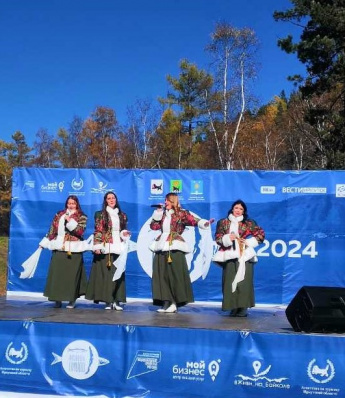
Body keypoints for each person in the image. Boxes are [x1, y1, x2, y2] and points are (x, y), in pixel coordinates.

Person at [149, 192, 214, 313]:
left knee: (174, 275)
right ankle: (165, 301)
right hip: (161, 245)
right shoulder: (162, 214)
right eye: (165, 200)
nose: (165, 203)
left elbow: (194, 221)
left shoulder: (182, 213)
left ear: (173, 201)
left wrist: (205, 223)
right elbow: (153, 226)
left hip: (174, 246)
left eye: (167, 200)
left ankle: (174, 302)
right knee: (161, 275)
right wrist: (157, 213)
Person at [213, 199, 265, 317]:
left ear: (244, 211)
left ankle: (243, 307)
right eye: (236, 208)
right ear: (232, 209)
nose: (238, 210)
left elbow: (261, 235)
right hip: (229, 255)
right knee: (229, 281)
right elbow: (218, 237)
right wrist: (227, 238)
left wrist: (248, 242)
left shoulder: (249, 223)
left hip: (245, 255)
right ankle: (233, 306)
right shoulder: (223, 222)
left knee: (244, 282)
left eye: (241, 209)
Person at [40, 195, 89, 309]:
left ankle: (72, 299)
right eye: (69, 203)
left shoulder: (82, 216)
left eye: (73, 203)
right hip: (60, 247)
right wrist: (44, 242)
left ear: (77, 204)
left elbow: (80, 231)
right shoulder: (59, 214)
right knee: (58, 275)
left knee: (72, 277)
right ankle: (57, 298)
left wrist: (70, 221)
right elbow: (52, 229)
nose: (71, 205)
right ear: (66, 204)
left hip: (73, 249)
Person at [85, 191, 130, 310]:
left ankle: (117, 300)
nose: (111, 200)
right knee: (107, 274)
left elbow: (123, 230)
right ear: (105, 200)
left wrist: (125, 234)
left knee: (118, 273)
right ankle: (108, 300)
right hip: (106, 246)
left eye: (113, 198)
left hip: (118, 246)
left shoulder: (122, 215)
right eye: (109, 198)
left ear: (116, 200)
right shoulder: (100, 214)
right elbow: (98, 230)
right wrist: (98, 245)